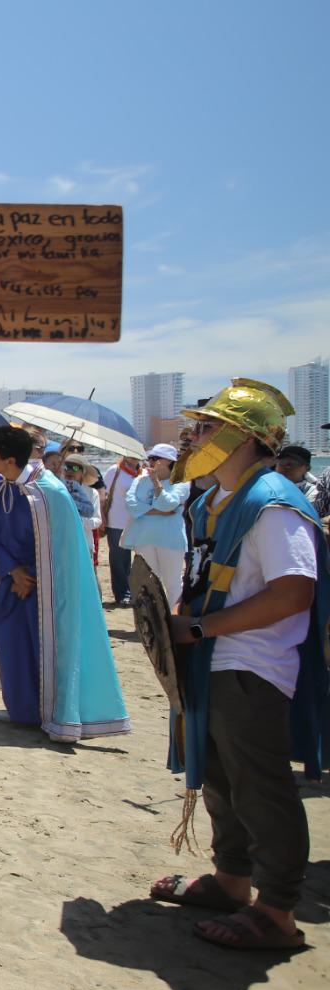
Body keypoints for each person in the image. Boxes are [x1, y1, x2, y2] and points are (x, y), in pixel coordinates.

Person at [154, 379, 328, 951]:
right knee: (221, 777)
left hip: (252, 665)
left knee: (260, 785)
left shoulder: (273, 502)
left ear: (245, 438)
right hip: (212, 660)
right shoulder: (211, 501)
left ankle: (276, 911)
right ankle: (232, 879)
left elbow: (292, 593)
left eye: (207, 428)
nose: (194, 436)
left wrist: (200, 628)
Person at [0, 425, 130, 742]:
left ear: (9, 459)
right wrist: (13, 571)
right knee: (10, 641)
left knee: (45, 643)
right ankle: (21, 708)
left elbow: (60, 547)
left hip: (47, 587)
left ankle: (54, 713)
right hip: (11, 580)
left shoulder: (49, 492)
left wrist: (31, 577)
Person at [122, 442, 189, 608]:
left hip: (170, 539)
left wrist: (156, 482)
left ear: (168, 461)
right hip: (143, 538)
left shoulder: (181, 483)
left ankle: (175, 621)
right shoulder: (139, 480)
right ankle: (155, 622)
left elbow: (168, 504)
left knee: (172, 583)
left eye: (155, 458)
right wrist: (158, 511)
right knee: (150, 583)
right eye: (150, 458)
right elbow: (131, 505)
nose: (150, 462)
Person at [101, 452, 141, 606]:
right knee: (119, 558)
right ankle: (122, 593)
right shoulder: (114, 470)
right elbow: (103, 494)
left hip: (138, 522)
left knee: (135, 559)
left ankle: (133, 590)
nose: (134, 456)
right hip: (116, 521)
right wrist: (103, 516)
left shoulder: (143, 472)